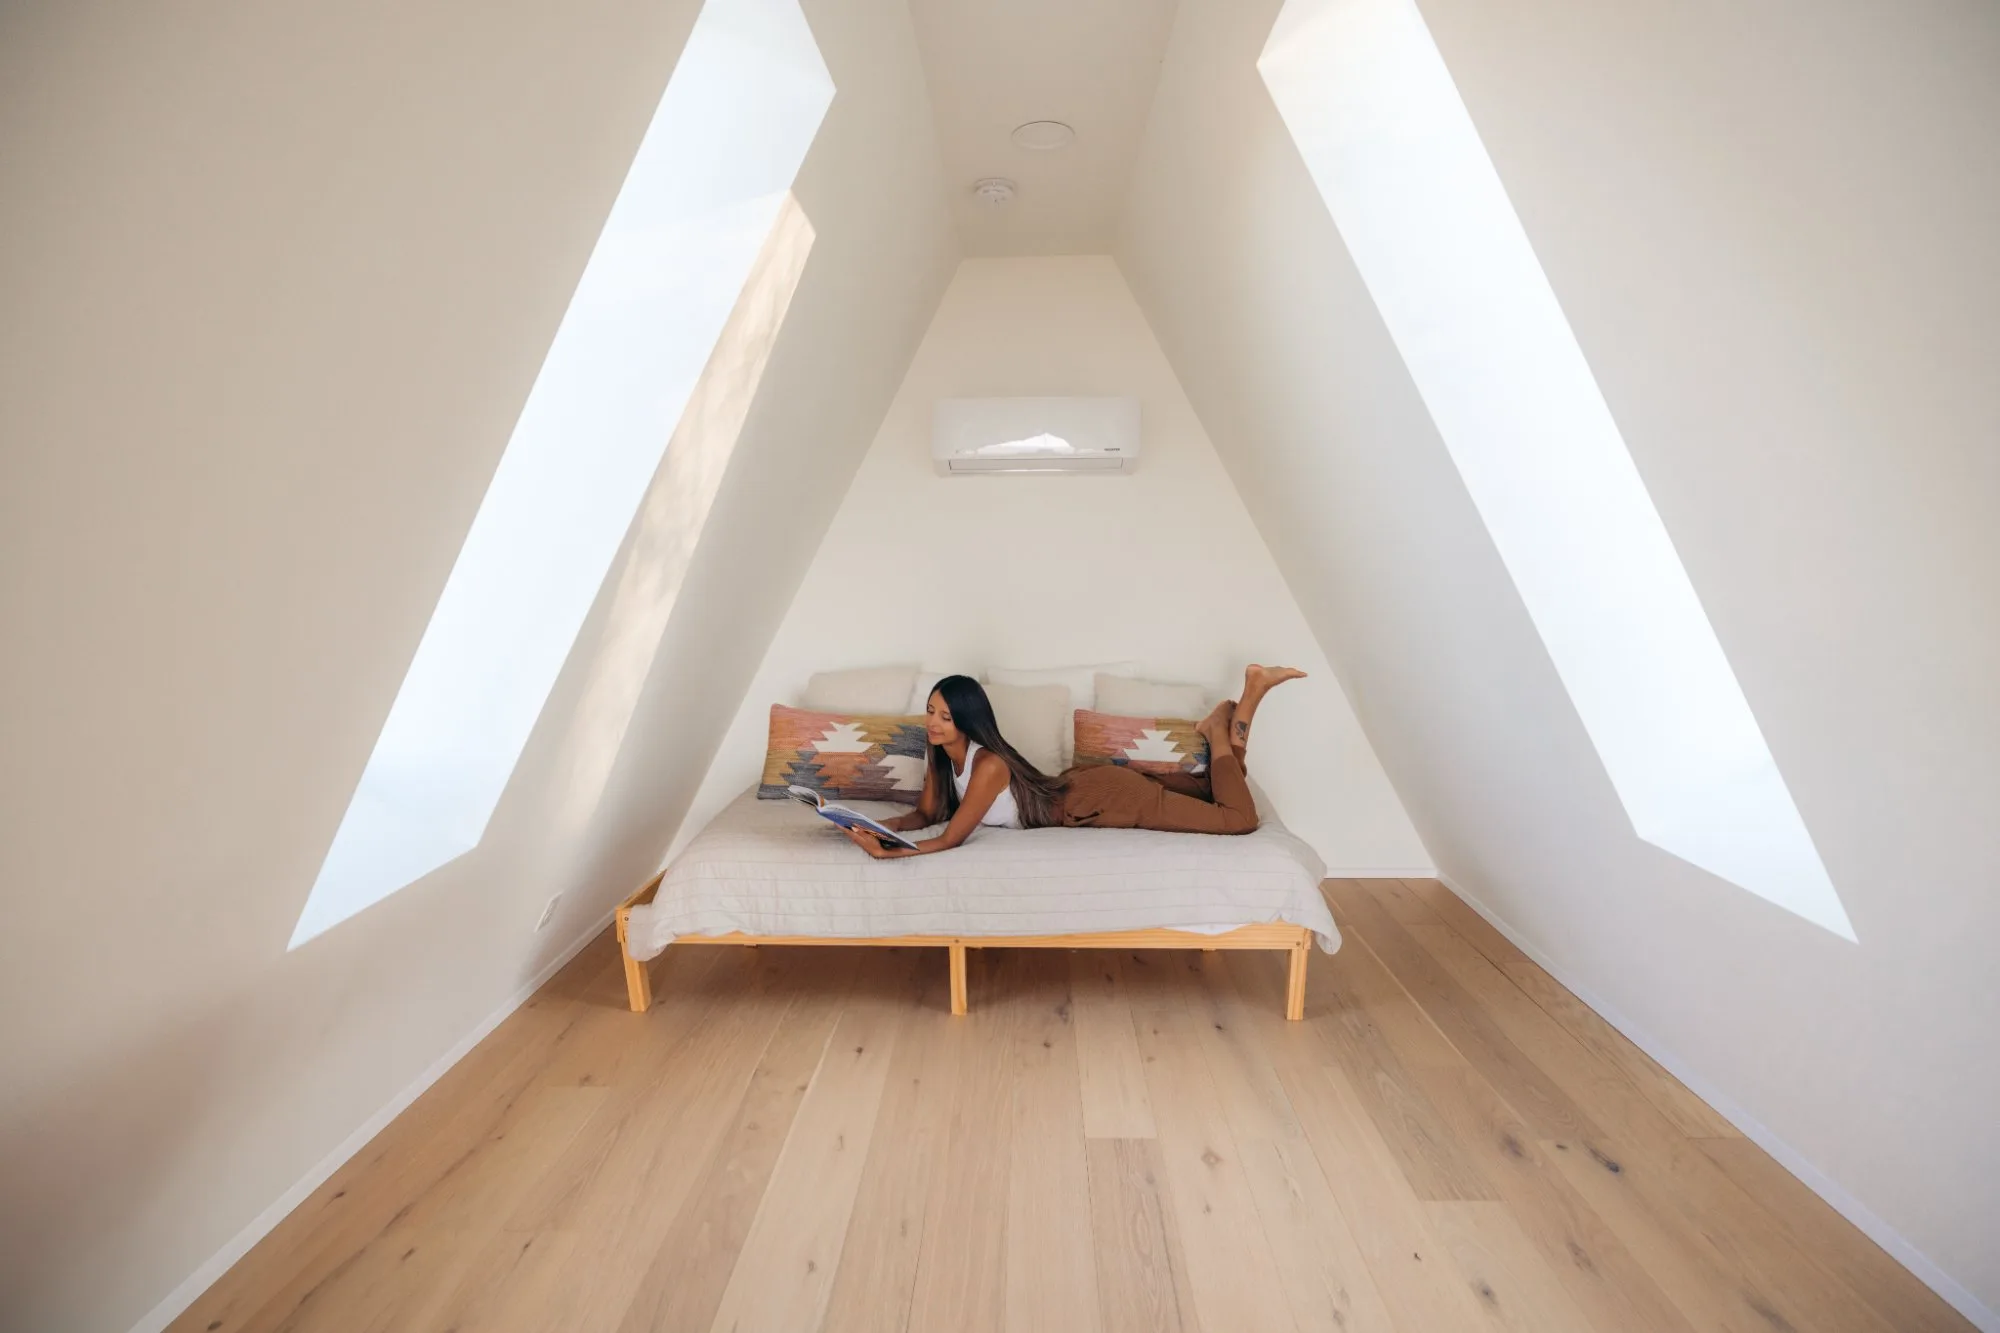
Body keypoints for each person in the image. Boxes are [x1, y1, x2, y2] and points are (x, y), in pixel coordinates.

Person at [844, 665, 1307, 859]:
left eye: (945, 716)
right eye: (930, 712)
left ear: (967, 720)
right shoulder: (944, 759)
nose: (933, 723)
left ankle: (1216, 731)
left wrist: (886, 853)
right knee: (1214, 792)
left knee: (1237, 819)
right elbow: (925, 815)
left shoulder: (987, 766)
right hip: (1085, 787)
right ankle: (1249, 699)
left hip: (1100, 800)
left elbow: (949, 838)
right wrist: (877, 826)